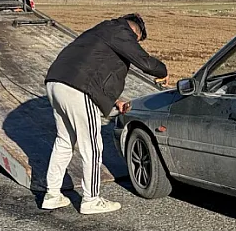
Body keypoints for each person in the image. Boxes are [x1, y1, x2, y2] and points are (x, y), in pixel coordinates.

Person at [42, 13, 167, 214]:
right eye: (137, 39)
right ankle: (91, 199)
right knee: (92, 144)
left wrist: (114, 101)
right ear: (136, 30)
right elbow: (144, 62)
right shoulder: (121, 31)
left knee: (64, 141)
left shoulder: (99, 31)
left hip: (56, 82)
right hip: (78, 89)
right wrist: (163, 71)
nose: (135, 43)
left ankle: (52, 194)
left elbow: (92, 70)